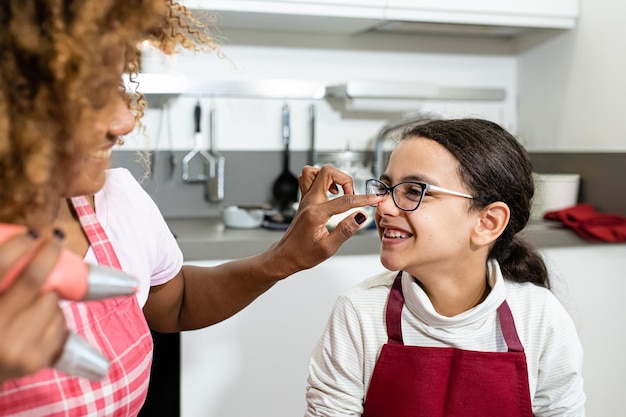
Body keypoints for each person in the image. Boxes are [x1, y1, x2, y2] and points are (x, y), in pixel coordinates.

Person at [0, 1, 382, 415]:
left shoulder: (117, 200)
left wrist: (284, 257)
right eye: (89, 96)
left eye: (114, 89)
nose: (124, 121)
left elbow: (176, 302)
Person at [305, 118, 586, 417]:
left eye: (414, 191)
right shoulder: (358, 313)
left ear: (487, 222)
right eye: (386, 188)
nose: (384, 207)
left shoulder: (541, 318)